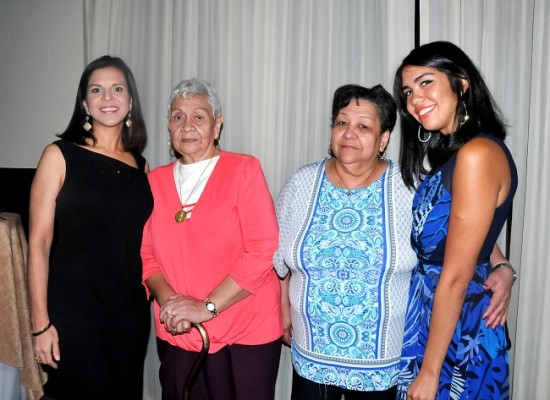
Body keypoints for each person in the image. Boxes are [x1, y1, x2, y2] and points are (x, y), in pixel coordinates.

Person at [274, 83, 515, 400]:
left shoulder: (412, 185)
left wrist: (503, 266)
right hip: (311, 353)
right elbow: (277, 253)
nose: (349, 133)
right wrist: (282, 306)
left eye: (363, 126)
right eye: (341, 122)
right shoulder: (302, 182)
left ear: (384, 138)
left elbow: (460, 234)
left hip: (384, 361)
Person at [141, 78, 282, 400]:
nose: (187, 125)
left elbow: (262, 249)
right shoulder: (153, 181)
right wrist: (171, 306)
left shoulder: (244, 169)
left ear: (217, 126)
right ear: (168, 126)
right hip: (179, 330)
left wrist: (205, 307)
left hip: (246, 330)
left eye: (199, 117)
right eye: (178, 116)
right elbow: (147, 256)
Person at [393, 41, 518, 400]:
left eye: (426, 82)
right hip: (434, 318)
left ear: (461, 84)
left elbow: (457, 274)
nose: (415, 99)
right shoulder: (459, 153)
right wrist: (503, 265)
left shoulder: (478, 153)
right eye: (408, 91)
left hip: (458, 329)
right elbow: (464, 232)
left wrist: (431, 373)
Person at [27, 55, 153, 399]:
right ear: (84, 103)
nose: (107, 98)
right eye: (97, 90)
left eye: (117, 89)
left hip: (128, 313)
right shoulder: (59, 155)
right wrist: (40, 324)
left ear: (130, 103)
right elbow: (37, 243)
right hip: (73, 312)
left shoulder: (141, 167)